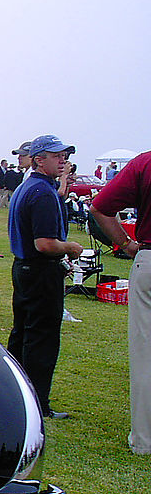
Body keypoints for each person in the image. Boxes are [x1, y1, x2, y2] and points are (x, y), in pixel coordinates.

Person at [6, 135, 83, 420]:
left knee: (23, 334)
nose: (63, 160)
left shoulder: (31, 187)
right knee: (41, 339)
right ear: (40, 159)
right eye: (56, 156)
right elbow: (45, 244)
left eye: (65, 156)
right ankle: (37, 403)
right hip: (39, 270)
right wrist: (71, 248)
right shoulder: (41, 193)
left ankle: (17, 394)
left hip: (25, 269)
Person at [91, 151, 150, 454]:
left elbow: (100, 207)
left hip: (149, 258)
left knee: (145, 356)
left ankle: (145, 439)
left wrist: (126, 244)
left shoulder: (144, 163)